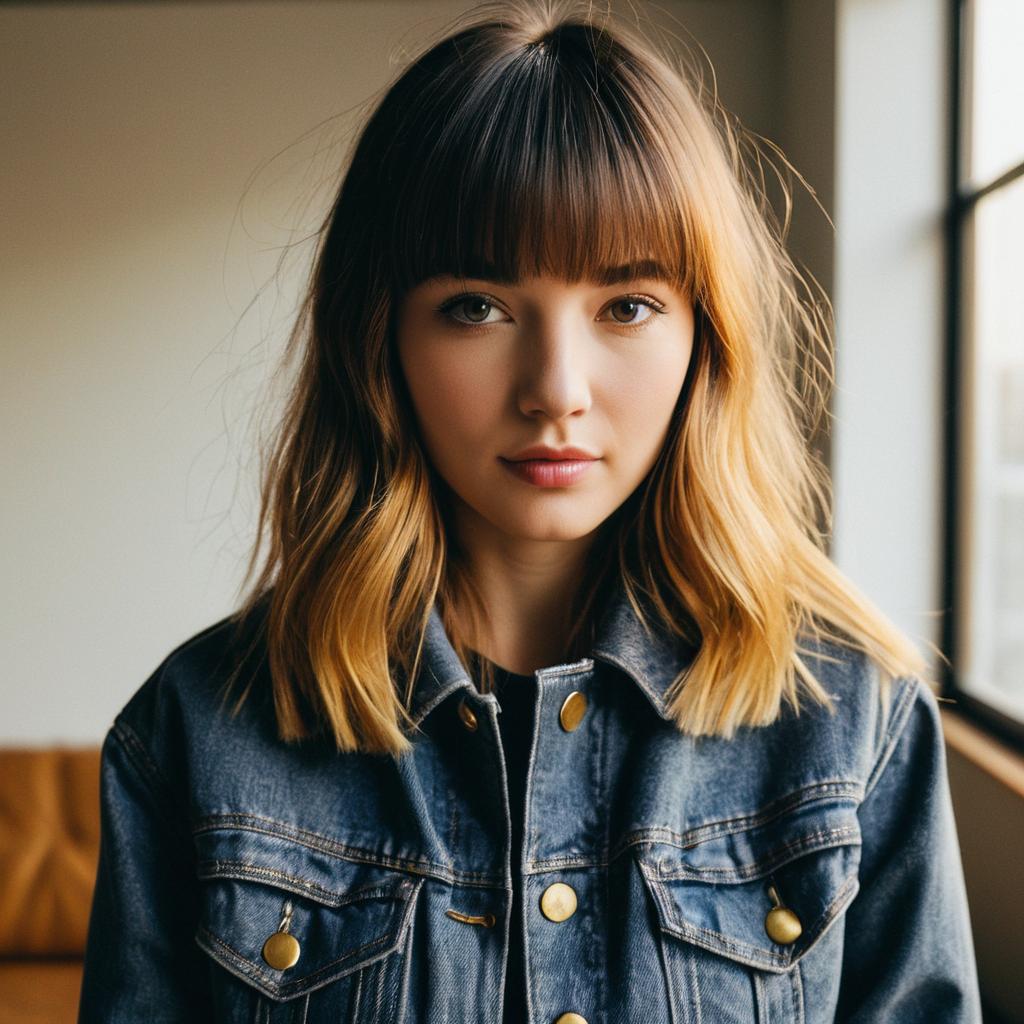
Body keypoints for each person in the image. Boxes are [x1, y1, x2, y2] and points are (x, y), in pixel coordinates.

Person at [77, 1, 983, 1021]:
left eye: (627, 306)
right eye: (477, 307)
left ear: (704, 338)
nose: (556, 387)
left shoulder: (854, 718)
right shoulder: (195, 733)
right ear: (380, 340)